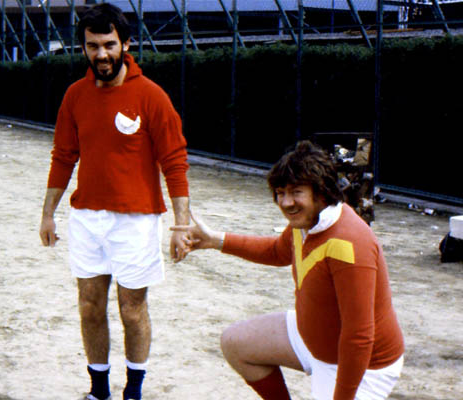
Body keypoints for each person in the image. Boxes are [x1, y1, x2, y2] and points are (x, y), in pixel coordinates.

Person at [38, 4, 191, 400]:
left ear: (126, 44)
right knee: (89, 306)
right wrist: (48, 214)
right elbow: (63, 156)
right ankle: (98, 390)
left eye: (109, 44)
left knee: (131, 310)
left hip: (136, 221)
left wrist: (181, 224)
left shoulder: (151, 96)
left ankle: (133, 392)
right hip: (86, 218)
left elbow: (174, 161)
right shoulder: (75, 96)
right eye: (93, 46)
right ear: (83, 49)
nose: (101, 54)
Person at [171, 141, 405, 400]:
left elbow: (359, 337)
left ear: (322, 192)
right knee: (235, 343)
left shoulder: (348, 244)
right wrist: (216, 240)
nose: (286, 202)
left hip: (363, 366)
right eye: (280, 193)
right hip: (316, 338)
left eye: (296, 192)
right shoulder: (306, 222)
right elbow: (278, 251)